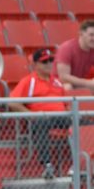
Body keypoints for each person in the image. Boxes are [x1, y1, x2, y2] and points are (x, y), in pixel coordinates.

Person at [8, 48, 71, 180]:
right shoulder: (28, 81)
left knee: (84, 122)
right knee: (41, 123)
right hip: (43, 118)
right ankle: (47, 165)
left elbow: (67, 105)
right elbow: (13, 103)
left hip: (62, 118)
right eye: (44, 62)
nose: (49, 64)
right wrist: (32, 115)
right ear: (35, 64)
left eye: (50, 61)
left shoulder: (57, 81)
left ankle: (80, 164)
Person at [54, 20, 94, 94]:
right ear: (81, 33)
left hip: (77, 83)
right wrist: (88, 83)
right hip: (56, 83)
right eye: (91, 35)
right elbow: (63, 77)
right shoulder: (67, 48)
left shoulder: (92, 48)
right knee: (68, 87)